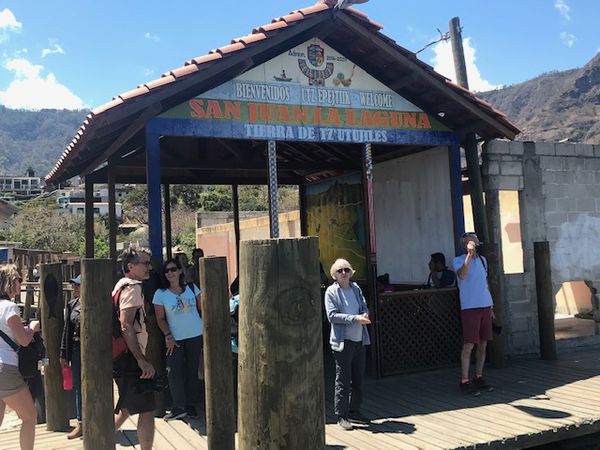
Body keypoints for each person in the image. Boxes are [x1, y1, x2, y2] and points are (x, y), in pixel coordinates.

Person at [113, 247, 156, 450]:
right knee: (147, 408)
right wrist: (140, 359)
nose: (149, 267)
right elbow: (125, 324)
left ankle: (98, 441)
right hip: (129, 355)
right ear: (131, 266)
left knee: (128, 407)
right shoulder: (132, 287)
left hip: (121, 354)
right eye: (145, 263)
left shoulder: (120, 286)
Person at [324, 258, 371, 431]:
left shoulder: (356, 288)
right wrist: (355, 319)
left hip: (359, 340)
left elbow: (364, 306)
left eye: (347, 270)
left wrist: (364, 313)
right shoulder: (331, 292)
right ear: (334, 275)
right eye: (340, 271)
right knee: (343, 380)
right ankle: (341, 415)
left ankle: (354, 410)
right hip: (342, 343)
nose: (344, 273)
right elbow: (332, 316)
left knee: (358, 379)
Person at [153, 258, 202, 421]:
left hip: (195, 335)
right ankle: (178, 406)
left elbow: (203, 309)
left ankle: (191, 405)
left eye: (173, 269)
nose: (170, 273)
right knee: (173, 372)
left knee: (192, 371)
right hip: (175, 338)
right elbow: (160, 318)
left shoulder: (192, 288)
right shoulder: (160, 294)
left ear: (180, 271)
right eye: (167, 271)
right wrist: (168, 335)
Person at [0, 264, 39, 450]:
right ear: (9, 283)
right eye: (18, 280)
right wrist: (32, 328)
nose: (20, 284)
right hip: (5, 368)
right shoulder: (9, 307)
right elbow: (23, 341)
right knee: (30, 417)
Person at [453, 232, 494, 396]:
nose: (474, 246)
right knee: (469, 344)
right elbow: (462, 275)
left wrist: (492, 307)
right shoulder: (458, 260)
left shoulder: (483, 261)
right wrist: (469, 256)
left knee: (483, 344)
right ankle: (464, 380)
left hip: (485, 305)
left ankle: (478, 376)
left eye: (475, 243)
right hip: (470, 307)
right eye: (470, 243)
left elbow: (485, 283)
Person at [60, 274, 83, 439]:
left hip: (94, 353)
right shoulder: (72, 304)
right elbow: (67, 331)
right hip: (76, 350)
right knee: (78, 387)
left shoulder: (96, 303)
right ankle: (81, 423)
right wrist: (63, 353)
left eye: (78, 285)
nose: (74, 287)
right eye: (74, 285)